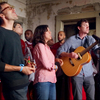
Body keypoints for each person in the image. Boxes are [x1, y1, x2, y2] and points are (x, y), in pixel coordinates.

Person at [0, 2, 35, 100]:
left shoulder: (15, 35)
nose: (13, 9)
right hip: (13, 85)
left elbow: (14, 59)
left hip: (23, 82)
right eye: (9, 8)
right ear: (2, 15)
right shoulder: (1, 33)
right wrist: (20, 69)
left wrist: (26, 64)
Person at [57, 19, 99, 100]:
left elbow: (97, 52)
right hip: (76, 74)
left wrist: (98, 51)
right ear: (79, 27)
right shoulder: (71, 39)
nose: (87, 27)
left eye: (88, 26)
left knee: (91, 97)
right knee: (77, 98)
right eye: (85, 25)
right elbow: (59, 51)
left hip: (89, 74)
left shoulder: (91, 39)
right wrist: (69, 54)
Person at [32, 25, 57, 100]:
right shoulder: (40, 46)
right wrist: (55, 66)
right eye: (47, 31)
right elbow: (47, 64)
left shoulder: (47, 46)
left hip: (51, 79)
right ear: (41, 33)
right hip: (43, 80)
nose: (50, 32)